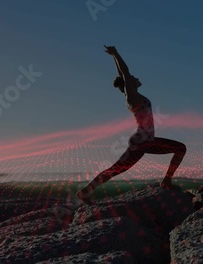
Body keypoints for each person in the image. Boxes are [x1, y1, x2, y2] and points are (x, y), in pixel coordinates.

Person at [76, 45, 186, 204]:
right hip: (141, 142)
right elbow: (125, 73)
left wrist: (114, 57)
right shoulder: (131, 98)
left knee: (180, 148)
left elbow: (122, 74)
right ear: (128, 84)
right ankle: (85, 191)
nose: (136, 77)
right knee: (117, 169)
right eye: (133, 77)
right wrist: (116, 53)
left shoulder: (136, 95)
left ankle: (167, 181)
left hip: (147, 142)